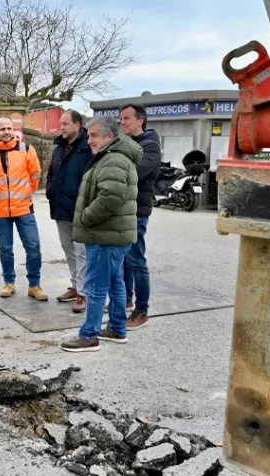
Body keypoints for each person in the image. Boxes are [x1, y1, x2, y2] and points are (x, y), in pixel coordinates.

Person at [61, 116, 141, 352]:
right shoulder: (112, 157)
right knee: (115, 282)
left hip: (104, 237)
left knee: (95, 285)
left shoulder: (113, 160)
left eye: (94, 135)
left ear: (110, 137)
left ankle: (89, 335)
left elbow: (110, 198)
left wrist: (84, 218)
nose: (89, 140)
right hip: (113, 236)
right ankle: (117, 328)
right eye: (88, 135)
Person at [0, 117, 48, 301]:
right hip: (0, 211)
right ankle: (9, 282)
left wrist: (26, 193)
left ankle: (34, 285)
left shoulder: (27, 149)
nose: (6, 131)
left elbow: (35, 175)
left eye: (9, 128)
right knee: (5, 249)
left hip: (24, 209)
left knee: (33, 247)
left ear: (14, 130)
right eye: (2, 128)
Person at [119, 103, 162, 330]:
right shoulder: (129, 143)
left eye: (126, 118)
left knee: (136, 260)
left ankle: (142, 310)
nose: (122, 122)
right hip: (124, 209)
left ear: (140, 120)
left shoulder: (150, 146)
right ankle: (126, 298)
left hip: (136, 211)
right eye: (121, 119)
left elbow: (132, 174)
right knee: (125, 259)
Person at [45, 109, 92, 314]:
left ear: (77, 125)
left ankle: (84, 293)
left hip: (80, 209)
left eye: (65, 124)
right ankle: (75, 286)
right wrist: (50, 191)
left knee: (82, 252)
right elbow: (51, 173)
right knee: (69, 250)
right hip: (60, 207)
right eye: (60, 124)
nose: (61, 127)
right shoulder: (59, 147)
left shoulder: (87, 148)